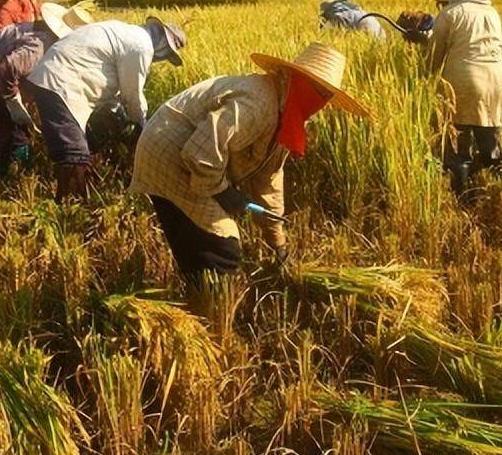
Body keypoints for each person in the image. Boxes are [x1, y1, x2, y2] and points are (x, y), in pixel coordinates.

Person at [130, 42, 368, 283]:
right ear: (294, 77)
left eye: (325, 95)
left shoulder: (286, 115)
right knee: (221, 247)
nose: (319, 101)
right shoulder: (258, 103)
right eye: (315, 88)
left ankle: (200, 299)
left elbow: (269, 180)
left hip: (193, 161)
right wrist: (223, 193)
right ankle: (211, 308)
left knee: (206, 248)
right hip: (169, 154)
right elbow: (200, 152)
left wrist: (278, 243)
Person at [24, 16, 186, 201]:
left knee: (80, 145)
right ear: (163, 45)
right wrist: (142, 124)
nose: (160, 58)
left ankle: (80, 195)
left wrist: (120, 115)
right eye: (165, 54)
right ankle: (71, 209)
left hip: (58, 79)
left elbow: (108, 81)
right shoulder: (141, 45)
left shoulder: (125, 33)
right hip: (62, 84)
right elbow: (132, 94)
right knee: (74, 153)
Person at [0, 3, 94, 174]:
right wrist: (12, 101)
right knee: (15, 138)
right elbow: (5, 70)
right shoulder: (40, 45)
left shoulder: (29, 28)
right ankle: (12, 178)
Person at [421, 0, 502, 197]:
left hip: (464, 79)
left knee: (460, 143)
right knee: (490, 139)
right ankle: (500, 194)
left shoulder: (449, 14)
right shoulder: (492, 12)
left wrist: (422, 77)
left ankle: (464, 199)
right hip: (497, 79)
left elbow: (433, 57)